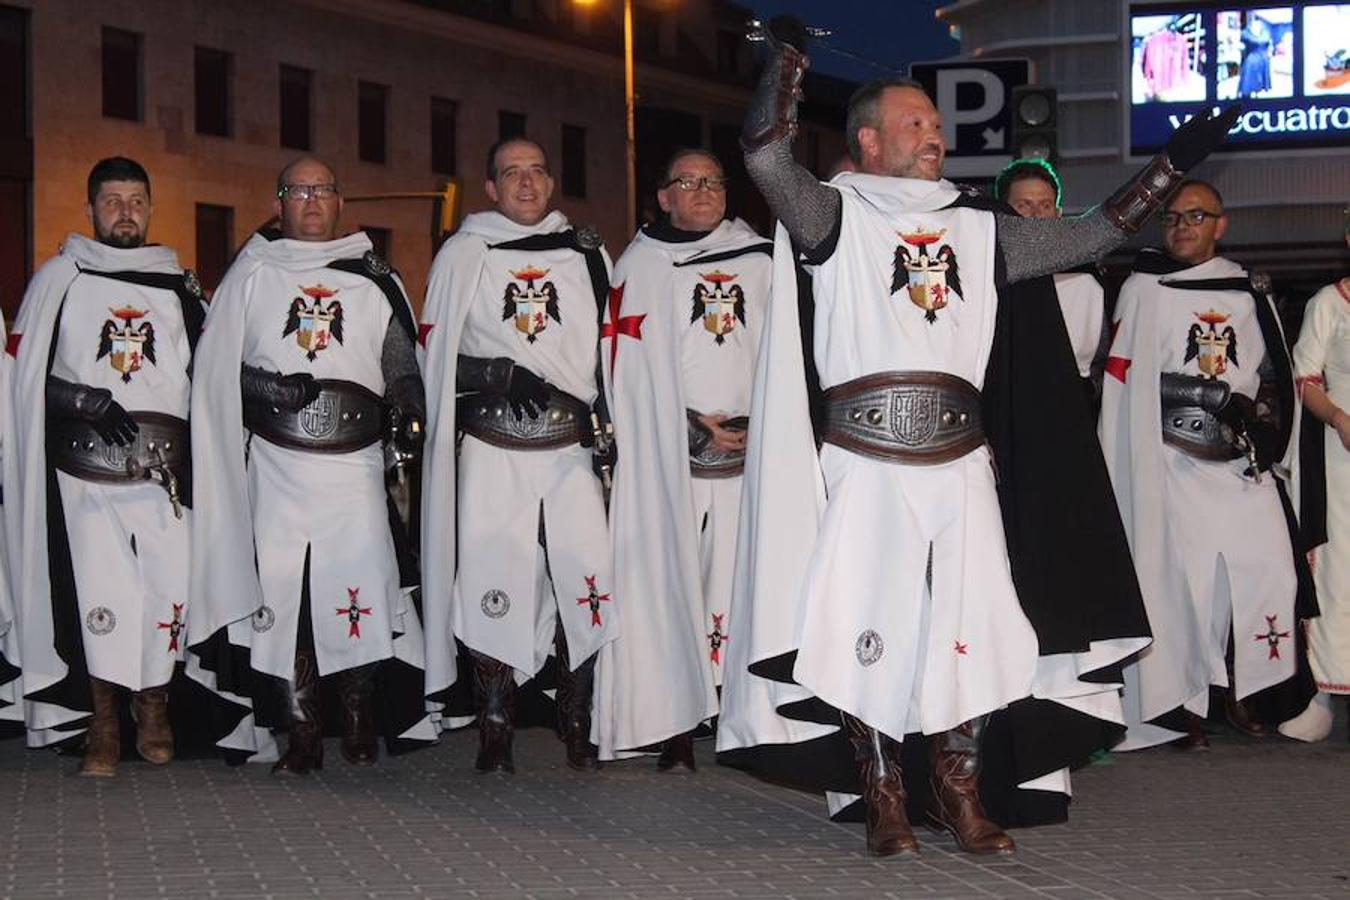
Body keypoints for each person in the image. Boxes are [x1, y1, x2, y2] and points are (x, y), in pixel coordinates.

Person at [717, 18, 1233, 858]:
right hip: (865, 461)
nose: (936, 134)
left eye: (936, 123)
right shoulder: (832, 218)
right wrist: (786, 68)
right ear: (871, 139)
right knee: (864, 622)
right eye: (916, 122)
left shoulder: (982, 226)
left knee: (978, 626)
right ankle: (883, 796)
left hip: (960, 465)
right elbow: (768, 158)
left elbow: (1097, 231)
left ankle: (959, 794)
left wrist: (1172, 167)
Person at [187, 157, 433, 772]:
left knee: (362, 590)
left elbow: (401, 359)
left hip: (353, 468)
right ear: (280, 201)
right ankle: (299, 725)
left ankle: (356, 719)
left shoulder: (373, 275)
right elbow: (213, 369)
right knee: (284, 600)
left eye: (323, 189)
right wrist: (264, 388)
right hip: (275, 463)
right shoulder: (252, 273)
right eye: (300, 190)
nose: (313, 200)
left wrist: (407, 399)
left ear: (340, 200)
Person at [419, 137, 616, 774]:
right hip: (493, 445)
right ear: (490, 187)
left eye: (536, 172)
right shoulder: (464, 252)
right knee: (490, 575)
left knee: (588, 578)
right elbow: (434, 352)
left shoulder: (586, 253)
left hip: (568, 448)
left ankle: (579, 720)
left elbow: (614, 353)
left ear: (552, 182)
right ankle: (496, 722)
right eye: (512, 174)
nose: (526, 184)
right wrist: (497, 372)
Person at [4, 157, 203, 774]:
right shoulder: (61, 279)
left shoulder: (179, 286)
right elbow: (23, 374)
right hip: (84, 472)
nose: (125, 211)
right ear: (90, 209)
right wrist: (82, 399)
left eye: (136, 199)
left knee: (168, 593)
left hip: (165, 473)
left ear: (151, 207)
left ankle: (155, 706)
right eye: (112, 200)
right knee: (101, 594)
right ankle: (104, 723)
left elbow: (211, 377)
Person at [1100, 180, 1315, 751]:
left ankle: (1251, 687)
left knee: (1270, 571)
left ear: (1221, 224)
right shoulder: (1144, 288)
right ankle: (1185, 703)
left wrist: (1268, 431)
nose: (1182, 226)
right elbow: (1123, 379)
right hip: (1169, 459)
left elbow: (1278, 377)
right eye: (1171, 217)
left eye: (1196, 216)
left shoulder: (1252, 288)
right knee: (1186, 586)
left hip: (1238, 462)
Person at [594, 149, 773, 770]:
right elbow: (624, 373)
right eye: (688, 182)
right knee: (670, 588)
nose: (703, 191)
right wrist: (690, 427)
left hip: (751, 458)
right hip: (668, 462)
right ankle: (671, 720)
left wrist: (757, 421)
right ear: (663, 197)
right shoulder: (639, 266)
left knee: (740, 587)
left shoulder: (760, 260)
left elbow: (786, 356)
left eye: (714, 180)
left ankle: (738, 713)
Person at [1279, 207, 1350, 742]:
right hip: (1341, 459)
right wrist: (1341, 418)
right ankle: (1324, 696)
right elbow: (1305, 377)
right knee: (1335, 575)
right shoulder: (1331, 302)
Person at [994, 158, 1109, 406]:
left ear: (1058, 214)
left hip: (1069, 411)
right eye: (1024, 205)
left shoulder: (1087, 282)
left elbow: (1104, 366)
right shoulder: (981, 278)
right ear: (1000, 213)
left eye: (1045, 205)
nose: (1036, 215)